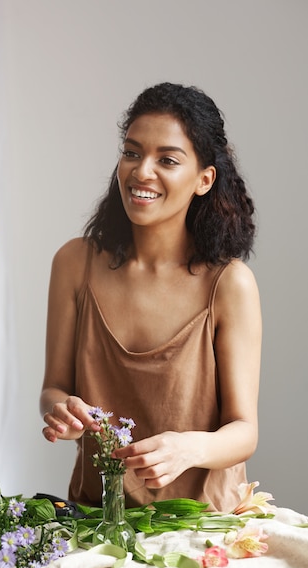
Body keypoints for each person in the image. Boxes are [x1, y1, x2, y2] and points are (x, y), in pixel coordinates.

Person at [40, 82, 262, 512]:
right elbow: (54, 388)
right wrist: (61, 412)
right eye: (132, 152)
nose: (142, 171)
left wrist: (188, 449)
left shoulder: (230, 284)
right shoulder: (73, 263)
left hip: (203, 528)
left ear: (204, 179)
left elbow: (244, 430)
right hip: (96, 519)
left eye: (167, 160)